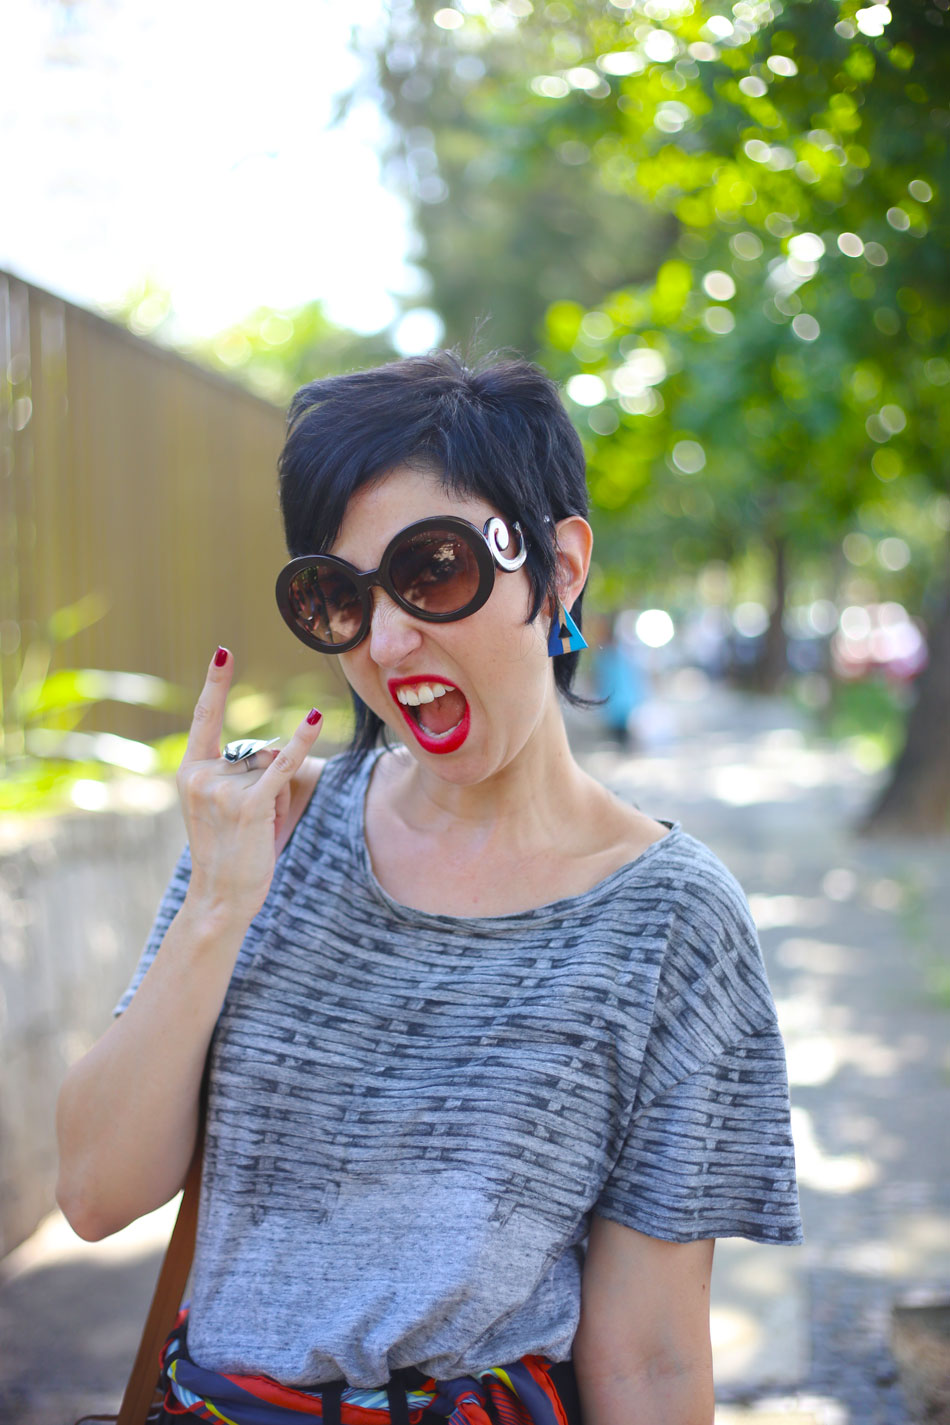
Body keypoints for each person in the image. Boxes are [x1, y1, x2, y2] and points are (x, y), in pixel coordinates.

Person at [56, 352, 802, 1425]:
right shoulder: (267, 833)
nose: (389, 640)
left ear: (558, 567)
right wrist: (218, 906)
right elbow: (94, 1193)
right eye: (339, 597)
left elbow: (649, 1359)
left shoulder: (671, 920)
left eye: (435, 569)